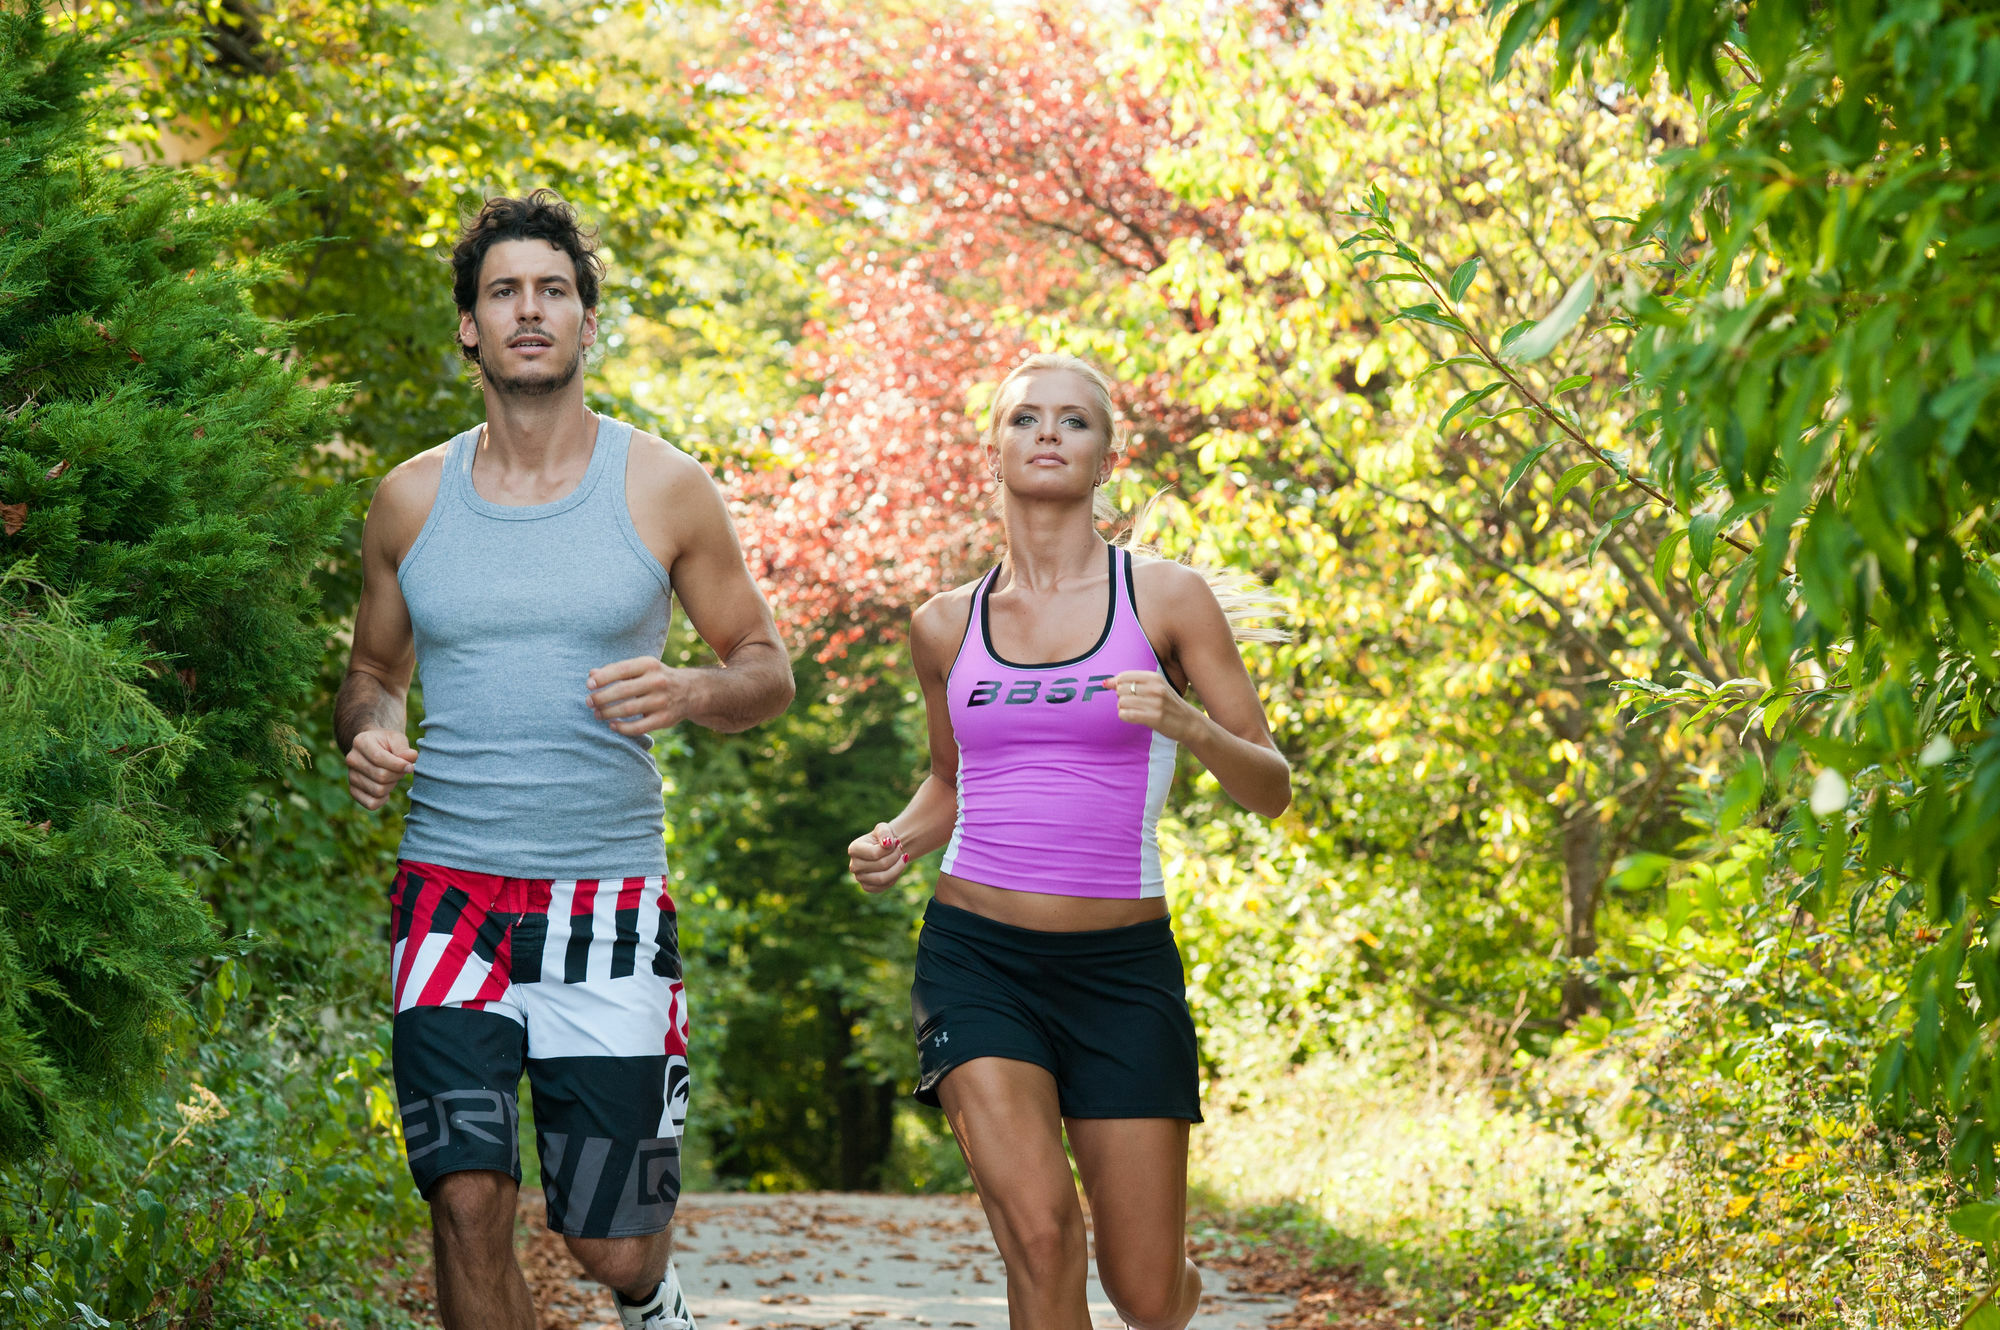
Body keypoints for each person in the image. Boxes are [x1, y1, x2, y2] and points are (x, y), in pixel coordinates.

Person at [337, 189, 794, 1330]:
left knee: (608, 1239)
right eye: (503, 292)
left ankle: (653, 1300)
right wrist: (368, 731)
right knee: (465, 1196)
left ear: (588, 322)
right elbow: (371, 673)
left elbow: (765, 667)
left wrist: (690, 688)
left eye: (552, 290)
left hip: (608, 898)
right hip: (446, 891)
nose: (528, 310)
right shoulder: (408, 498)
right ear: (469, 327)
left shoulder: (662, 487)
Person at [846, 352, 1291, 1330]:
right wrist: (897, 839)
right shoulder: (941, 625)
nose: (1048, 433)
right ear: (991, 451)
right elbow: (948, 782)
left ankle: (1174, 1289)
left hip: (1121, 971)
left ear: (1106, 458)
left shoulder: (1166, 600)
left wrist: (1190, 728)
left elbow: (1271, 787)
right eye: (1025, 419)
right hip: (976, 959)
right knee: (1040, 1236)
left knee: (1142, 1290)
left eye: (1073, 421)